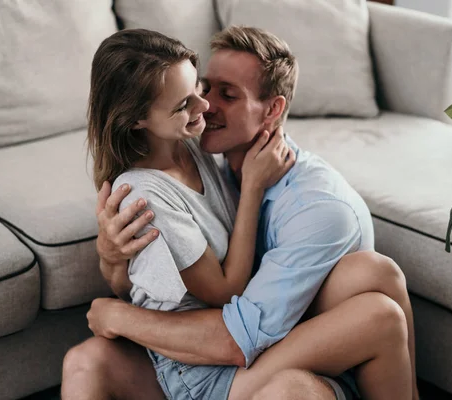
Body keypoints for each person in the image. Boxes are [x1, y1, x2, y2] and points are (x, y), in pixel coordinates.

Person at [62, 26, 420, 400]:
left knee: (377, 273)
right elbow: (206, 294)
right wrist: (111, 261)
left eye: (224, 94)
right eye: (200, 92)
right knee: (380, 316)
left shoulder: (197, 151)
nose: (206, 106)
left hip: (235, 340)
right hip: (199, 363)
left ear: (274, 110)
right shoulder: (157, 185)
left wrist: (120, 313)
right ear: (140, 119)